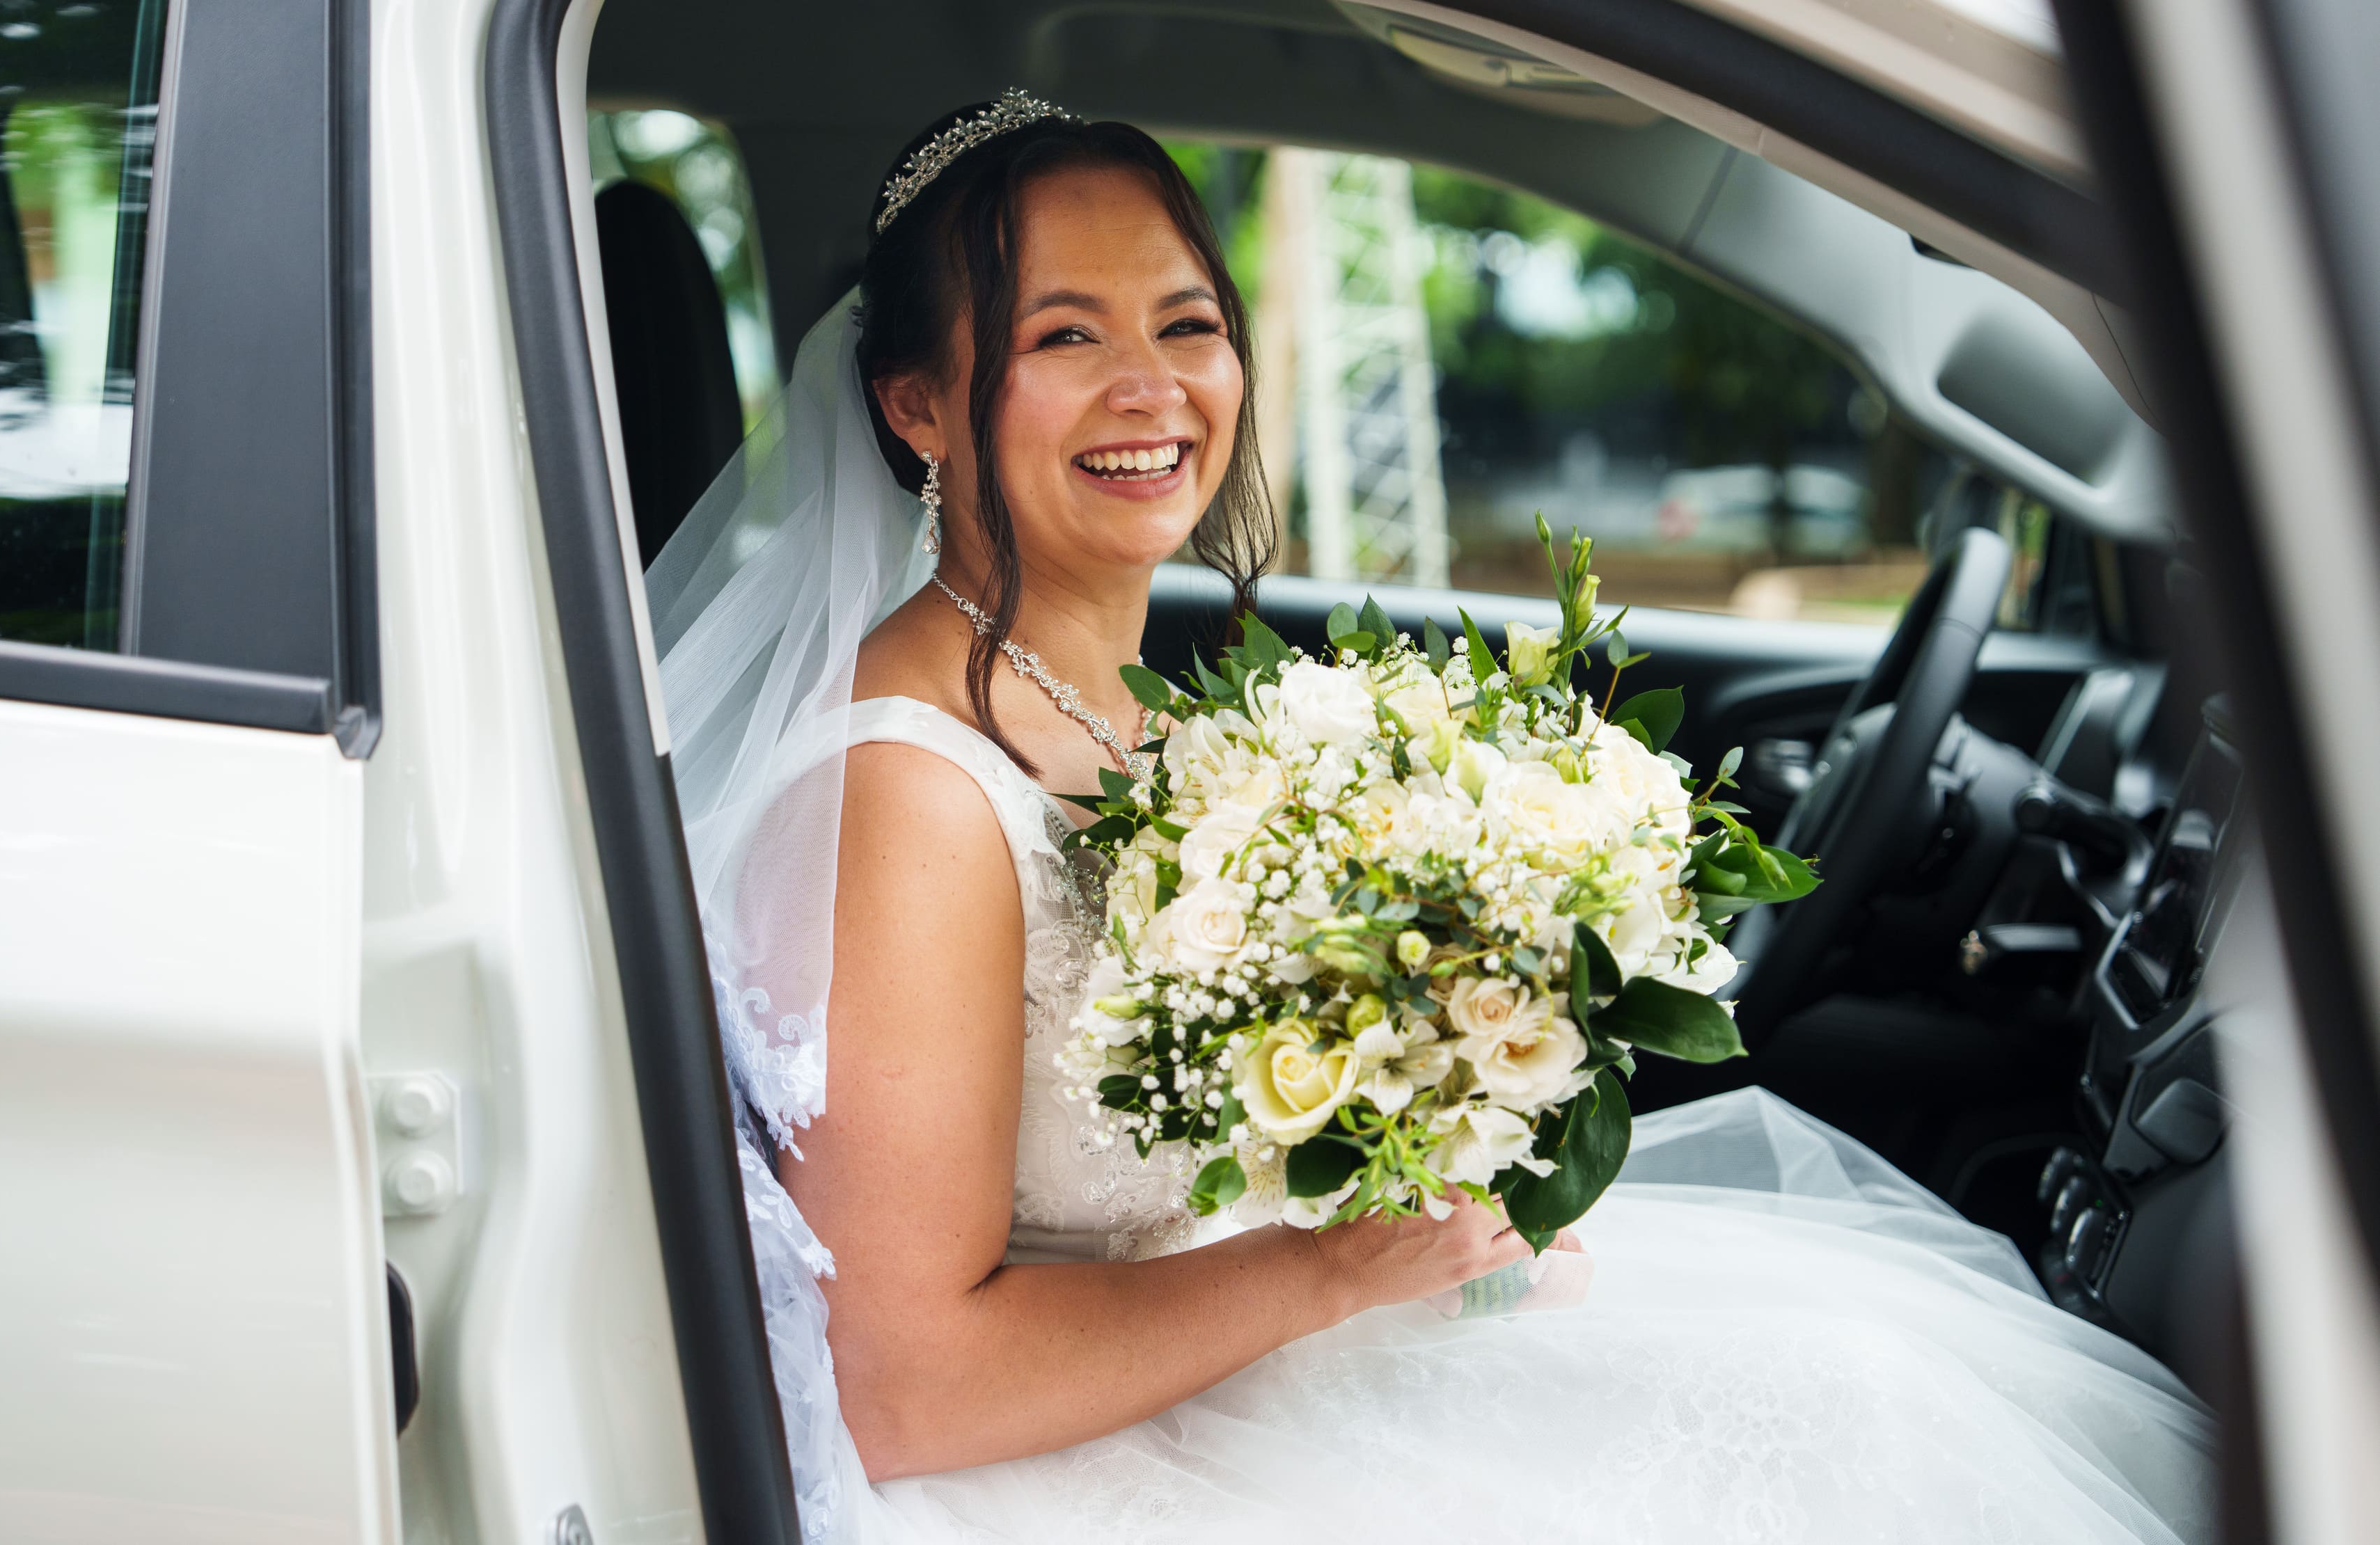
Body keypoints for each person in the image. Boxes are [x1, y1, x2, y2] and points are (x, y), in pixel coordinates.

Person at [646, 91, 2214, 1544]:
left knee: (1866, 1388)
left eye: (1189, 321)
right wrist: (1330, 1267)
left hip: (1220, 1366)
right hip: (1068, 1463)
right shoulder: (911, 796)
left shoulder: (1149, 720)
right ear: (918, 405)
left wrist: (1435, 1149)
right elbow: (902, 1386)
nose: (1153, 387)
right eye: (1066, 334)